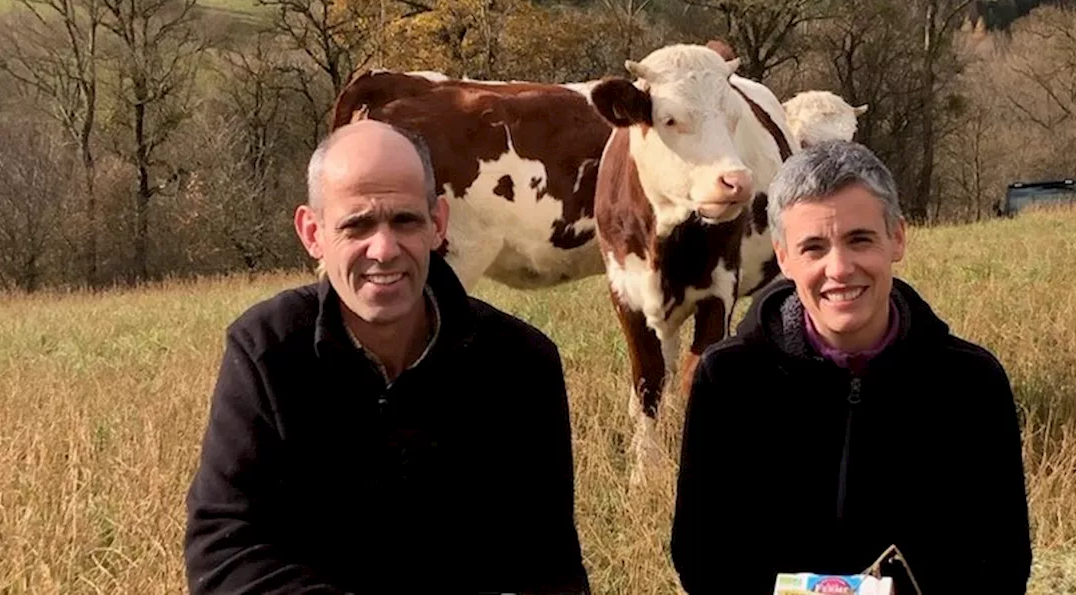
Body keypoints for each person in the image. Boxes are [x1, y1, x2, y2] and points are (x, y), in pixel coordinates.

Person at [184, 119, 590, 595]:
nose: (384, 249)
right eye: (357, 224)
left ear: (438, 223)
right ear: (312, 233)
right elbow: (225, 550)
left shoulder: (521, 366)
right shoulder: (265, 353)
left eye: (405, 220)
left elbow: (549, 564)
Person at [670, 140, 1031, 595]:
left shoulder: (970, 382)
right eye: (813, 248)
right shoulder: (730, 379)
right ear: (783, 257)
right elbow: (702, 557)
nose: (838, 269)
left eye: (859, 239)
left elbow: (1002, 562)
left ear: (897, 238)